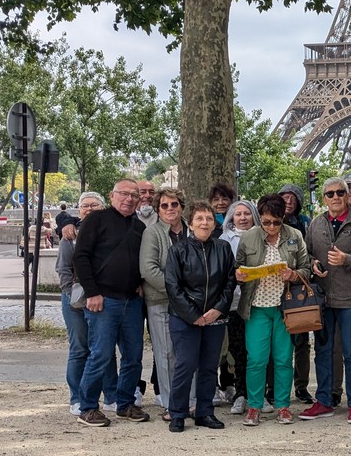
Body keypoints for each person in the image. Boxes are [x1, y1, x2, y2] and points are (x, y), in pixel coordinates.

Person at [302, 176, 351, 423]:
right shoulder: (316, 224)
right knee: (323, 352)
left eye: (340, 192)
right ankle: (324, 401)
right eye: (330, 194)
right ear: (324, 199)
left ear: (347, 196)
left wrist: (348, 259)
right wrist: (313, 264)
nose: (335, 197)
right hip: (324, 298)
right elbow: (307, 255)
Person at [72, 178, 149, 427]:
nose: (129, 199)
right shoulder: (96, 219)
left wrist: (140, 283)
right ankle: (88, 407)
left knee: (133, 356)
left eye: (134, 195)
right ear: (112, 195)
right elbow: (81, 257)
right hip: (103, 300)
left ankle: (124, 402)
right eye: (124, 194)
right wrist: (92, 292)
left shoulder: (139, 227)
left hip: (131, 301)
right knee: (101, 355)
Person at [234, 194, 311, 426]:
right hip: (256, 306)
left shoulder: (294, 236)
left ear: (283, 218)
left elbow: (306, 268)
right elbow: (237, 266)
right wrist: (239, 274)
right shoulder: (249, 237)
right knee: (256, 359)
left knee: (283, 359)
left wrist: (294, 275)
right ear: (260, 218)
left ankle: (283, 406)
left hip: (284, 308)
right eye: (266, 222)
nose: (271, 227)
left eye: (276, 222)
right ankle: (254, 406)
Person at [164, 201, 236, 432]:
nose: (204, 223)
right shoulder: (178, 250)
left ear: (214, 223)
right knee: (185, 365)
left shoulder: (223, 248)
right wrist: (194, 315)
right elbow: (172, 286)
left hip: (215, 317)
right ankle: (177, 413)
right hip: (185, 318)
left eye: (209, 219)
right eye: (199, 219)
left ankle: (205, 412)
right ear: (191, 223)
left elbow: (230, 282)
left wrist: (218, 309)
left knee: (208, 367)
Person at [58, 192, 112, 415]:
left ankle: (110, 395)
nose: (89, 209)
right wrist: (73, 294)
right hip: (76, 300)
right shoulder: (69, 236)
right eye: (85, 206)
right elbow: (63, 269)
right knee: (79, 347)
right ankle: (77, 397)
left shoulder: (110, 232)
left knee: (104, 348)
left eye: (94, 205)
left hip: (104, 297)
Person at [139, 187, 191, 419]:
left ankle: (191, 400)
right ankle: (172, 404)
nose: (170, 209)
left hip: (192, 303)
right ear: (158, 209)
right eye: (164, 205)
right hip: (162, 301)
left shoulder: (192, 229)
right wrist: (177, 292)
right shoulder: (152, 233)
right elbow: (148, 269)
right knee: (167, 353)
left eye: (174, 204)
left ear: (181, 206)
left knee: (189, 353)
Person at [278, 183, 314, 405]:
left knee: (301, 341)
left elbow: (310, 255)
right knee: (277, 342)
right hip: (274, 290)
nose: (289, 201)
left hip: (298, 288)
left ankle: (301, 386)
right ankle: (274, 388)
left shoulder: (305, 224)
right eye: (285, 197)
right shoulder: (269, 221)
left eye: (293, 198)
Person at [220, 199, 258, 409]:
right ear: (231, 217)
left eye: (247, 213)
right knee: (238, 350)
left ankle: (258, 393)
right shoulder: (224, 239)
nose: (243, 218)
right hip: (234, 303)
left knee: (258, 351)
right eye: (238, 214)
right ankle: (241, 393)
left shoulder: (261, 235)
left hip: (259, 301)